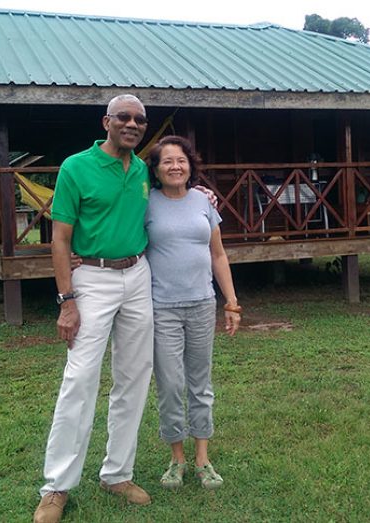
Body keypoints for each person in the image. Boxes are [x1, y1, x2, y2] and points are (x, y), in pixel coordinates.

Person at [34, 94, 154, 523]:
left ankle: (117, 473)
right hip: (93, 279)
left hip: (138, 275)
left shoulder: (142, 170)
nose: (132, 123)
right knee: (81, 378)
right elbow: (60, 240)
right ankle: (57, 487)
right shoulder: (76, 167)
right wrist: (67, 302)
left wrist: (204, 198)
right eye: (123, 116)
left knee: (134, 376)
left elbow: (175, 188)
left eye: (140, 119)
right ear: (106, 121)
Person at [145, 135, 241, 490]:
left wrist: (230, 302)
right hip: (162, 309)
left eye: (181, 160)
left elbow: (218, 255)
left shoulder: (203, 201)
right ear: (155, 169)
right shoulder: (145, 203)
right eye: (167, 161)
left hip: (202, 305)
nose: (175, 166)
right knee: (170, 385)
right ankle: (176, 459)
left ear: (190, 165)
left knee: (201, 384)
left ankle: (203, 459)